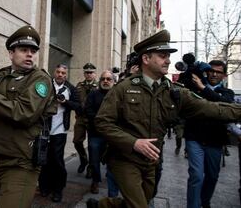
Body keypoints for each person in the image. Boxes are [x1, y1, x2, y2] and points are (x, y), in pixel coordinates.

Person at [87, 30, 241, 208]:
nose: (168, 60)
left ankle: (103, 205)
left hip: (151, 162)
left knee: (139, 202)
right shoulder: (123, 88)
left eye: (168, 56)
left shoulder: (174, 91)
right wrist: (133, 142)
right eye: (162, 56)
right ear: (146, 59)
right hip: (124, 159)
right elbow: (102, 122)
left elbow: (212, 108)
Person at [0, 25, 57, 208]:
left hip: (20, 165)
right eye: (24, 50)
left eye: (33, 51)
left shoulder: (40, 80)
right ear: (11, 53)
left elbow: (24, 113)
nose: (30, 54)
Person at [184, 60, 235, 208]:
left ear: (224, 75)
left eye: (218, 72)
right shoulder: (196, 87)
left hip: (215, 141)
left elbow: (224, 105)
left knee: (212, 177)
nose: (213, 74)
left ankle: (204, 202)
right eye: (211, 70)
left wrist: (204, 88)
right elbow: (185, 81)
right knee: (196, 176)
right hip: (194, 139)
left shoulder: (227, 93)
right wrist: (192, 67)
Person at [38, 64, 81, 202]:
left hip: (60, 130)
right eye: (58, 72)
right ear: (54, 72)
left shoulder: (71, 88)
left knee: (57, 160)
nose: (60, 75)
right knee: (43, 159)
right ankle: (44, 186)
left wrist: (66, 102)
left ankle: (58, 189)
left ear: (66, 74)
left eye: (63, 72)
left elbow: (79, 106)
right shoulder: (46, 84)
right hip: (44, 129)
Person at [84, 70, 119, 196]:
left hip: (113, 134)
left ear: (114, 82)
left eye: (108, 79)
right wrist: (100, 121)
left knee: (113, 160)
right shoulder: (93, 94)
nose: (105, 81)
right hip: (96, 133)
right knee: (94, 159)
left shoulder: (118, 95)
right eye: (103, 79)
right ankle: (95, 180)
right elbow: (87, 110)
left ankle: (113, 186)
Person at [74, 63, 98, 177]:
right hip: (80, 118)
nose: (89, 74)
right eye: (87, 72)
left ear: (95, 73)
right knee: (77, 141)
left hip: (92, 120)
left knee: (91, 145)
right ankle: (84, 160)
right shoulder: (79, 86)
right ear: (84, 73)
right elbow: (75, 100)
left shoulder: (98, 86)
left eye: (91, 72)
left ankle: (91, 167)